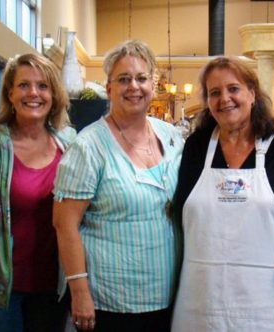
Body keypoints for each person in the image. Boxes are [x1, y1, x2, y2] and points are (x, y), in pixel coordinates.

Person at [171, 57, 274, 331]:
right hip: (200, 304)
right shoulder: (197, 146)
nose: (224, 98)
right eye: (214, 92)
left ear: (252, 93)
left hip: (265, 307)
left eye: (233, 89)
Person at [53, 40, 183, 332]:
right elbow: (64, 224)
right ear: (109, 88)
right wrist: (80, 291)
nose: (133, 86)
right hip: (110, 301)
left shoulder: (172, 137)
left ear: (153, 84)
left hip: (166, 295)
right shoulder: (88, 147)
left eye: (141, 78)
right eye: (123, 79)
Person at [0, 53, 75, 332]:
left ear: (54, 95)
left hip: (53, 289)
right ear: (10, 93)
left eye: (43, 86)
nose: (33, 93)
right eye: (24, 85)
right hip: (2, 296)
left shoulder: (69, 144)